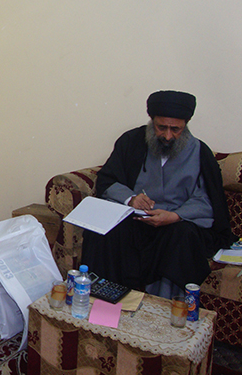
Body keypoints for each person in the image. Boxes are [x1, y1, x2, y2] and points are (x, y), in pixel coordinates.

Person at [81, 90, 235, 298]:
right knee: (101, 230)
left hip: (175, 225)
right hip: (135, 220)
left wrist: (175, 216)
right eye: (161, 127)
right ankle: (106, 298)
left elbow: (207, 200)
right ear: (152, 121)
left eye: (176, 129)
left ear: (186, 125)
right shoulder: (131, 141)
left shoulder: (199, 152)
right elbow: (108, 179)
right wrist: (131, 199)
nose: (167, 136)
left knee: (182, 237)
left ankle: (163, 305)